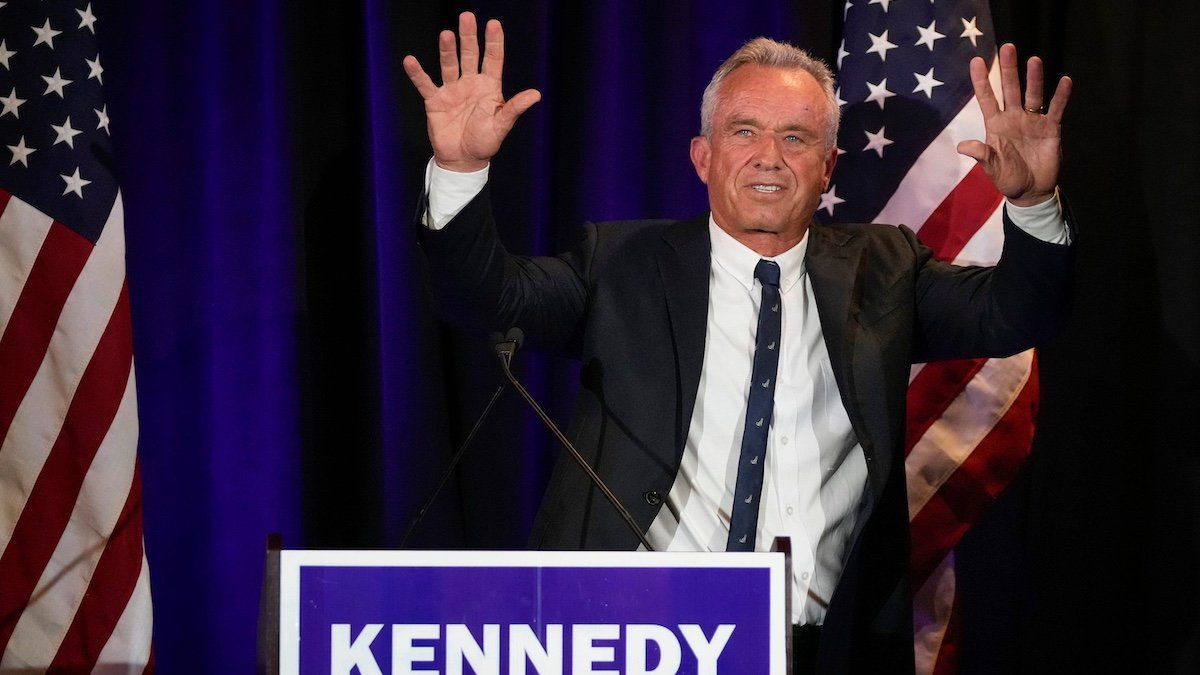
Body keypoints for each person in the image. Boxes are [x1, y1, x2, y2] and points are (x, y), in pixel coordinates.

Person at [405, 12, 1073, 673]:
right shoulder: (621, 264)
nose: (769, 158)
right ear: (705, 157)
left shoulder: (887, 268)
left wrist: (1034, 204)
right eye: (744, 132)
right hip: (635, 635)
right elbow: (486, 298)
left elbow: (1019, 314)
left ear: (828, 168)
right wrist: (459, 168)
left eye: (796, 138)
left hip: (821, 645)